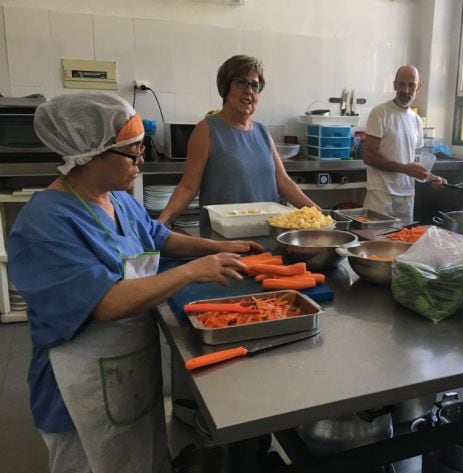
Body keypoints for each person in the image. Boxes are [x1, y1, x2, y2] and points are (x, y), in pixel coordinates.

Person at [7, 91, 264, 473]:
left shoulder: (118, 199)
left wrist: (219, 245)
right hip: (79, 382)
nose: (141, 161)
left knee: (142, 454)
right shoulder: (46, 222)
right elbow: (106, 302)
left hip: (130, 366)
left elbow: (157, 236)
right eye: (133, 152)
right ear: (90, 153)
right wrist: (193, 270)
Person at [158, 55, 316, 234]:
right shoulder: (206, 130)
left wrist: (318, 213)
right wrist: (161, 222)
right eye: (242, 83)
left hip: (267, 234)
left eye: (255, 85)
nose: (249, 91)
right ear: (225, 87)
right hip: (224, 239)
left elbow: (283, 181)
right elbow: (188, 187)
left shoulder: (263, 132)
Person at [362, 65, 445, 225]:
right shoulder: (380, 113)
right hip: (381, 195)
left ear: (418, 87)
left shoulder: (416, 120)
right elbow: (369, 156)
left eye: (411, 85)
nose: (406, 90)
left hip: (406, 196)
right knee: (375, 242)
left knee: (401, 244)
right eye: (401, 84)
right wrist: (404, 168)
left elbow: (412, 160)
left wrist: (430, 178)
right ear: (394, 85)